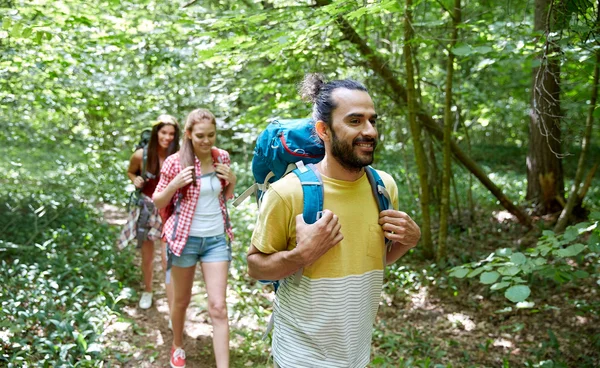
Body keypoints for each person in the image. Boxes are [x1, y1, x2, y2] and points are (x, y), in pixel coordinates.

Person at [247, 74, 421, 368]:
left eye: (372, 121)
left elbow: (375, 259)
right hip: (299, 357)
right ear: (323, 130)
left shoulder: (384, 187)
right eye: (355, 121)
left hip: (355, 355)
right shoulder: (288, 193)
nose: (370, 131)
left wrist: (411, 240)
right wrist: (301, 255)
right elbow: (255, 266)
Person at [153, 108, 236, 368]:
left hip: (215, 241)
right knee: (181, 301)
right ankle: (177, 345)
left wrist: (232, 181)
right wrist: (174, 184)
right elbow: (158, 201)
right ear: (188, 135)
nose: (206, 140)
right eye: (200, 135)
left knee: (218, 307)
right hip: (183, 240)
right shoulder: (175, 162)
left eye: (211, 135)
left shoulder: (221, 156)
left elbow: (225, 197)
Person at [120, 115, 181, 312]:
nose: (168, 137)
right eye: (164, 132)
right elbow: (131, 171)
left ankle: (173, 307)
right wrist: (134, 179)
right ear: (156, 133)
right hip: (146, 208)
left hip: (170, 210)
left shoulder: (179, 155)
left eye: (172, 133)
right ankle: (148, 290)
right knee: (147, 257)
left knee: (167, 259)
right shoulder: (141, 155)